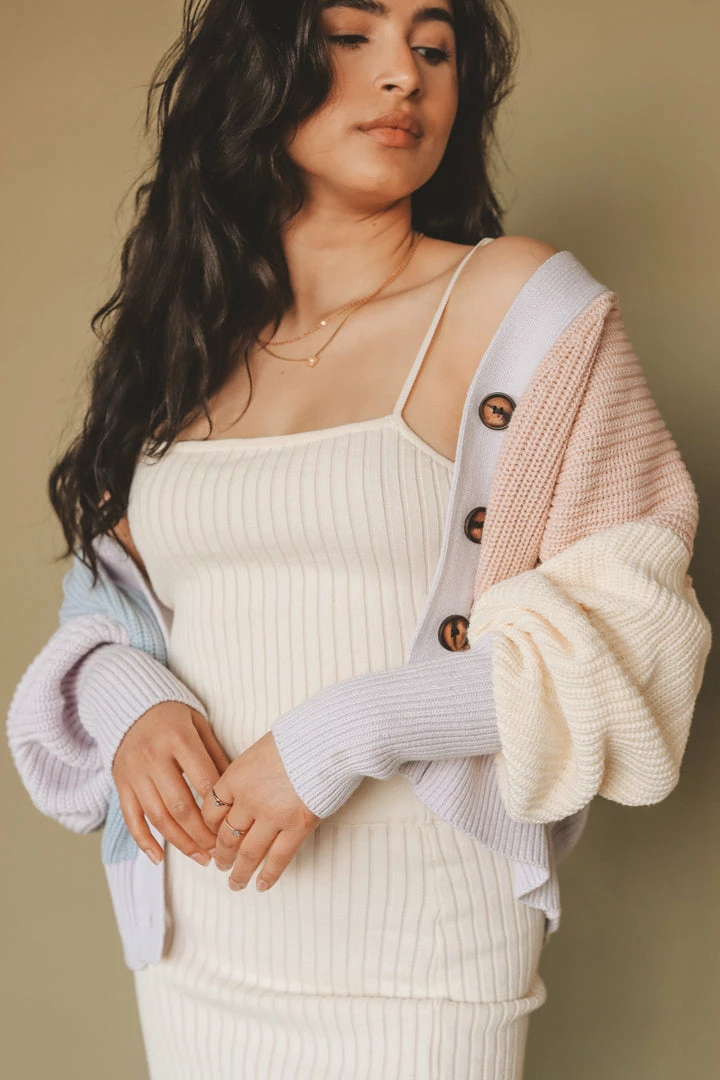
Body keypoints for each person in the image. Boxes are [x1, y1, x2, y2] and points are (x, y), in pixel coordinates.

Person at [7, 0, 711, 1078]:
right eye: (353, 36)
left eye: (434, 48)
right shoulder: (189, 333)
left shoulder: (520, 308)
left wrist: (343, 734)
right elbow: (108, 602)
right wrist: (130, 701)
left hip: (421, 946)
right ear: (262, 65)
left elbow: (635, 633)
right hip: (201, 934)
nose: (404, 77)